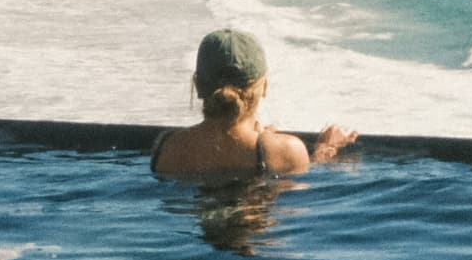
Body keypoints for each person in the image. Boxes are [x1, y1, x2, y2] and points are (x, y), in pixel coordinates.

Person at [149, 27, 358, 180]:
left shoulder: (166, 148)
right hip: (254, 235)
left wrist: (266, 140)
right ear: (264, 86)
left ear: (197, 85)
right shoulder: (286, 150)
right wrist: (326, 149)